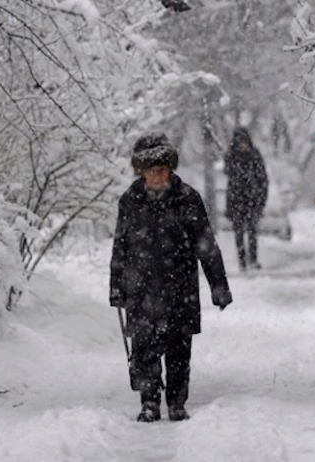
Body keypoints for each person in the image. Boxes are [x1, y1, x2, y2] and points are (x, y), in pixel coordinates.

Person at [110, 132, 233, 423]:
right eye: (151, 170)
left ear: (170, 169)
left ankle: (177, 402)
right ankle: (149, 402)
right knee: (144, 348)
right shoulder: (130, 201)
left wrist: (219, 286)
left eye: (162, 169)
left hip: (179, 288)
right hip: (140, 288)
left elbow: (206, 245)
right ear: (142, 171)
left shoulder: (187, 199)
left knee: (179, 350)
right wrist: (116, 286)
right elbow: (120, 247)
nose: (157, 175)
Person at [223, 127, 269, 271]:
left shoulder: (254, 156)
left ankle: (253, 259)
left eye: (244, 142)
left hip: (251, 199)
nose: (242, 145)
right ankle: (242, 261)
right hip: (236, 199)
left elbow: (262, 178)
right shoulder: (231, 156)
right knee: (239, 232)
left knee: (252, 231)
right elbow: (229, 174)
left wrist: (261, 198)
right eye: (240, 142)